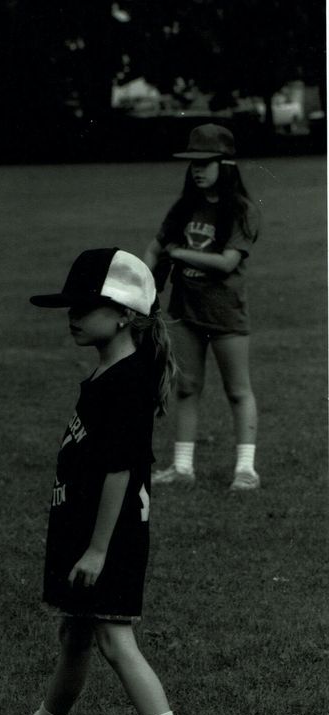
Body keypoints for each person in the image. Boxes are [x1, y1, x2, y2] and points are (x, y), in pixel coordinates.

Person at [0, 249, 203, 715]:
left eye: (87, 305)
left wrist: (98, 550)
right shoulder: (113, 370)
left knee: (111, 636)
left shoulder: (125, 380)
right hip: (85, 531)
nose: (73, 315)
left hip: (110, 536)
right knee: (76, 635)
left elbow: (121, 469)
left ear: (124, 313)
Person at [143, 123, 261, 490]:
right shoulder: (184, 207)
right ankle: (182, 468)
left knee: (237, 389)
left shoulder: (241, 210)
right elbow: (154, 248)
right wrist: (143, 283)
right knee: (187, 387)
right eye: (193, 162)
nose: (197, 168)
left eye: (205, 162)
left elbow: (227, 262)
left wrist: (179, 253)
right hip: (186, 309)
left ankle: (245, 470)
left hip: (225, 312)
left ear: (225, 165)